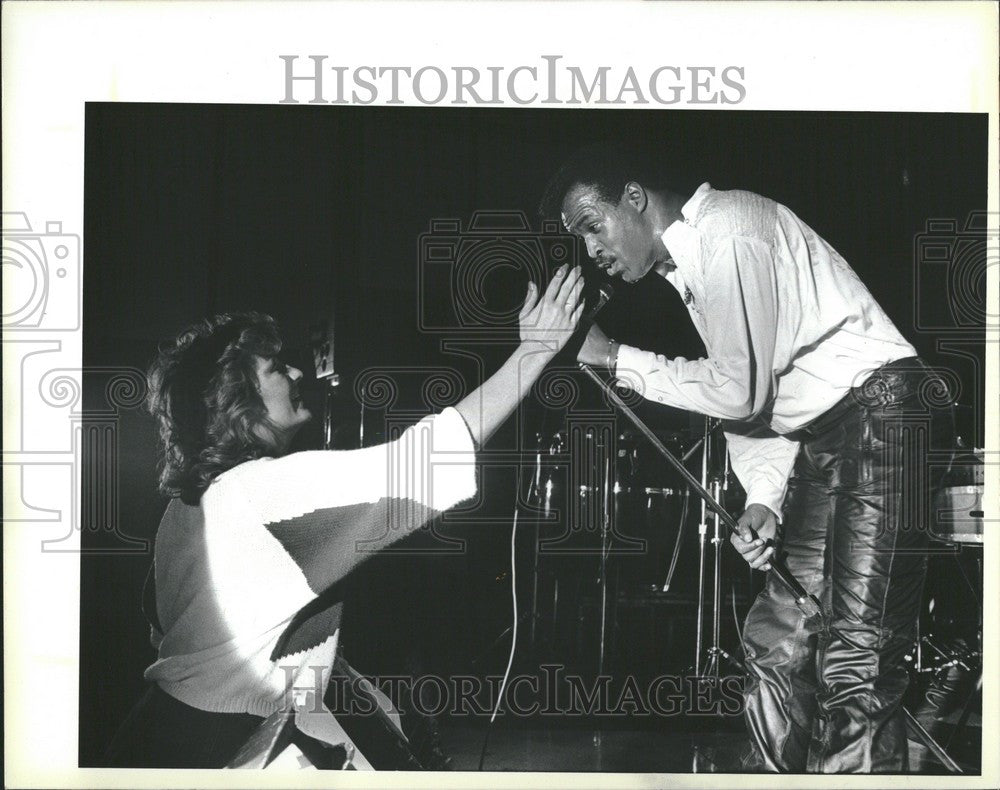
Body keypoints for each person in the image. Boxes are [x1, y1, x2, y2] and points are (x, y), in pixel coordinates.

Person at [540, 147, 955, 773]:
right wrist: (762, 497)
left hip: (888, 415)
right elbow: (761, 400)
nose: (592, 249)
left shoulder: (730, 232)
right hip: (829, 431)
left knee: (857, 653)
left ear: (634, 198)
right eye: (581, 238)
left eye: (592, 225)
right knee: (780, 640)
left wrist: (618, 359)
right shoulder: (694, 263)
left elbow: (738, 389)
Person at [104, 264, 585, 769]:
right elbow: (421, 461)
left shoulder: (188, 504)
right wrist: (535, 351)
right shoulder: (261, 490)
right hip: (221, 743)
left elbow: (173, 631)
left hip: (167, 727)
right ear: (238, 406)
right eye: (275, 368)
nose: (296, 373)